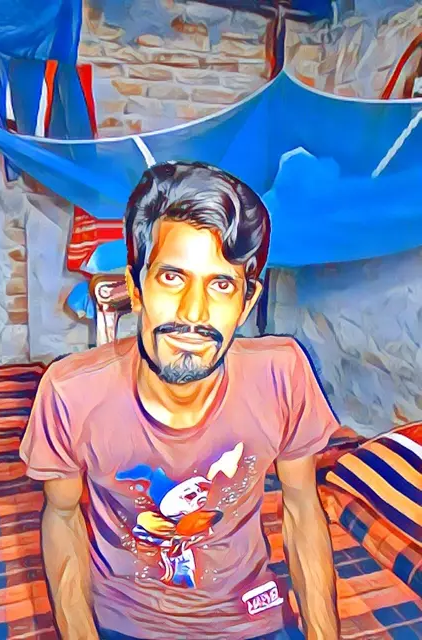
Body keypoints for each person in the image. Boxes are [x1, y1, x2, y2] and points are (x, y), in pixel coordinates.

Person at [20, 162, 341, 640]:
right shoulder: (69, 394)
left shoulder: (283, 374)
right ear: (136, 288)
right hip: (124, 625)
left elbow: (301, 507)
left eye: (221, 284)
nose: (194, 313)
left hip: (251, 619)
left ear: (246, 302)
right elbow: (62, 516)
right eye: (173, 277)